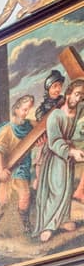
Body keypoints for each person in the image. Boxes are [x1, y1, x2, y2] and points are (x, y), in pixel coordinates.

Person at [32, 79, 84, 244]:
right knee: (57, 189)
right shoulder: (55, 115)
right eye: (76, 94)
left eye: (82, 96)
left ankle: (62, 220)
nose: (78, 99)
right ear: (68, 93)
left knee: (67, 188)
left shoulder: (78, 111)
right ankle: (47, 226)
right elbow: (54, 141)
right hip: (55, 156)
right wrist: (71, 151)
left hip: (68, 156)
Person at [0, 94, 40, 237]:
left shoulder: (29, 125)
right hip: (8, 170)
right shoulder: (7, 130)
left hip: (23, 169)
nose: (26, 113)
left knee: (25, 196)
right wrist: (1, 171)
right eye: (24, 110)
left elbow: (40, 130)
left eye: (29, 110)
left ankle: (26, 226)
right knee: (2, 203)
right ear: (16, 109)